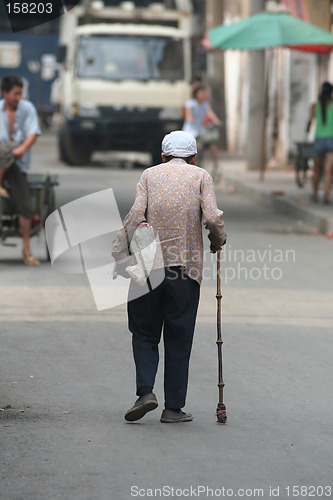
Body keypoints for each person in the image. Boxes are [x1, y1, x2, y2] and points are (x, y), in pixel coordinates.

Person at [112, 130, 226, 423]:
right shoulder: (201, 176)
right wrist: (217, 240)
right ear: (194, 157)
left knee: (144, 333)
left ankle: (145, 392)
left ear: (162, 157)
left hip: (147, 268)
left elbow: (136, 213)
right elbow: (212, 218)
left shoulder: (149, 175)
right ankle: (173, 408)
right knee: (179, 336)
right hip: (184, 271)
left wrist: (120, 251)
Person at [0, 75, 41, 265]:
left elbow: (33, 133)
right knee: (5, 150)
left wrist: (22, 149)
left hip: (18, 164)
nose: (18, 97)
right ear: (5, 93)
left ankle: (26, 249)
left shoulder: (27, 109)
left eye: (20, 94)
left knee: (24, 205)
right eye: (15, 94)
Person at [183, 85, 222, 179]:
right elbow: (188, 114)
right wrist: (190, 118)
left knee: (212, 144)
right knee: (196, 145)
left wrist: (216, 121)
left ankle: (217, 166)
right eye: (201, 94)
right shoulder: (190, 103)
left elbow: (210, 114)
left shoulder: (205, 105)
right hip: (191, 129)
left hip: (201, 128)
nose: (203, 96)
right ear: (196, 95)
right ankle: (191, 163)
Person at [307, 81, 333, 204]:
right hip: (331, 140)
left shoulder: (315, 106)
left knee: (317, 169)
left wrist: (307, 131)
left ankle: (315, 194)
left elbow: (309, 123)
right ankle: (325, 196)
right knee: (328, 170)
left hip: (319, 140)